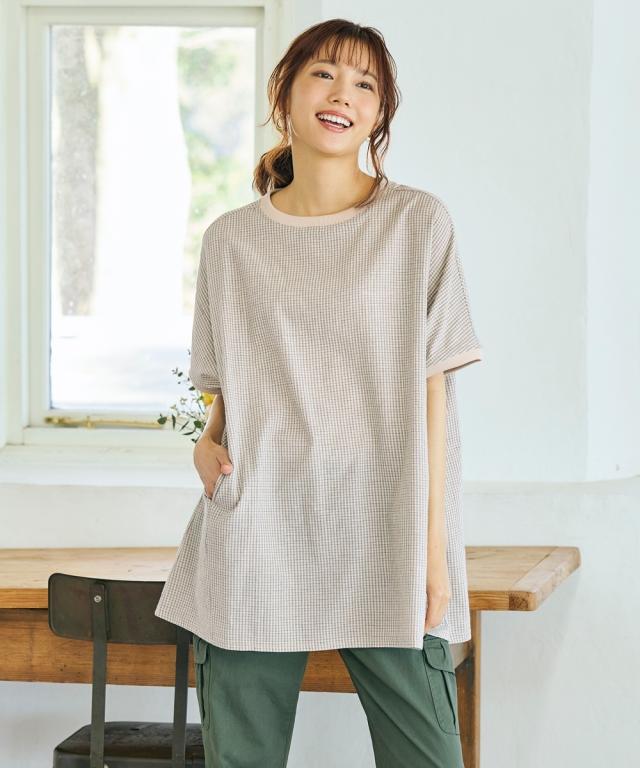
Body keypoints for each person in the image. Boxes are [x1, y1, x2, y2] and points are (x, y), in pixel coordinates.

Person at [155, 18, 484, 768]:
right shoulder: (231, 240)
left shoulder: (416, 222)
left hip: (387, 525)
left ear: (380, 113)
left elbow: (434, 390)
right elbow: (231, 382)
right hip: (256, 528)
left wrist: (435, 553)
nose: (343, 95)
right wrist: (208, 443)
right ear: (285, 93)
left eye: (364, 84)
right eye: (324, 75)